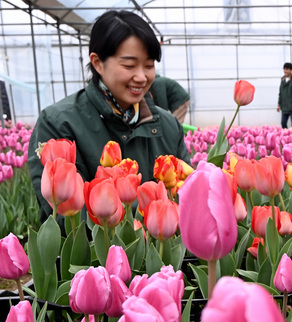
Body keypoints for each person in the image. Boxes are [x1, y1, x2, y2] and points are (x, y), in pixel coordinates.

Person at [28, 10, 190, 221]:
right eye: (129, 65)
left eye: (149, 65)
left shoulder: (168, 126)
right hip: (95, 252)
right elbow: (65, 214)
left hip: (163, 250)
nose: (141, 77)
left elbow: (187, 195)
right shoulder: (59, 124)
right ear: (97, 63)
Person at [277, 62, 292, 130]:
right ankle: (286, 137)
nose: (285, 71)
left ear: (291, 70)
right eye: (284, 69)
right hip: (284, 106)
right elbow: (280, 93)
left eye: (287, 69)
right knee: (283, 122)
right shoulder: (282, 80)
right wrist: (279, 104)